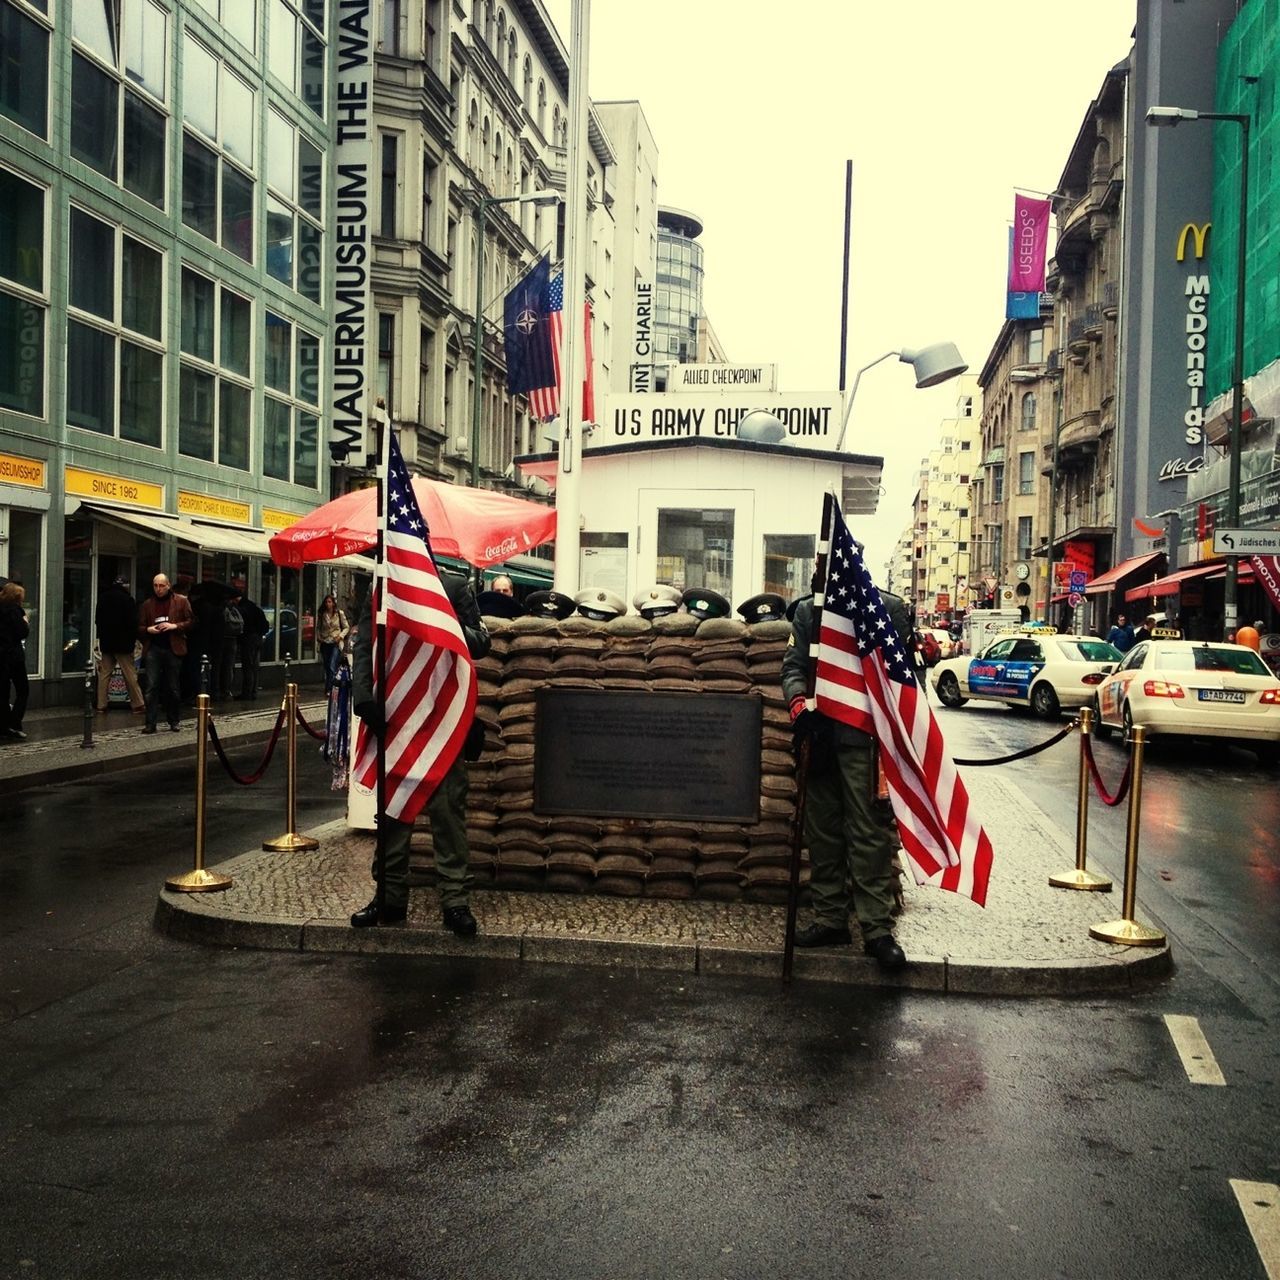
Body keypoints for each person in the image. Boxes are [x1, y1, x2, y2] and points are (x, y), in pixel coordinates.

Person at [780, 568, 912, 970]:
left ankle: (876, 929)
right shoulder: (808, 612)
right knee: (822, 833)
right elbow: (793, 668)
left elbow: (901, 679)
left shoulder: (886, 611)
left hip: (864, 741)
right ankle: (830, 918)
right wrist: (800, 708)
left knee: (868, 832)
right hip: (820, 740)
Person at [350, 574, 491, 935]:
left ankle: (455, 902)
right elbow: (365, 643)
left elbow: (480, 642)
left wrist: (443, 617)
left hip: (443, 720)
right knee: (393, 813)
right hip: (395, 714)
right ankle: (389, 898)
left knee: (447, 814)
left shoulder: (455, 587)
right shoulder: (381, 587)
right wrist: (364, 697)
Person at [138, 574, 194, 733]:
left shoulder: (181, 601)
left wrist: (174, 626)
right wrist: (148, 630)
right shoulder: (148, 604)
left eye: (161, 585)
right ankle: (150, 723)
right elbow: (140, 627)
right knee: (151, 687)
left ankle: (174, 720)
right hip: (154, 648)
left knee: (173, 687)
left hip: (173, 647)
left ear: (168, 585)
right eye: (155, 585)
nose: (158, 589)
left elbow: (191, 622)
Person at [94, 577, 145, 715]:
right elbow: (132, 622)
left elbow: (97, 620)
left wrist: (102, 636)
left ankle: (101, 705)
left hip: (107, 642)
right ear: (125, 586)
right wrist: (133, 639)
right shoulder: (127, 600)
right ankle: (138, 704)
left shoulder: (103, 598)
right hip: (123, 643)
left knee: (104, 674)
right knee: (129, 674)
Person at [0, 582, 30, 740]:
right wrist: (25, 621)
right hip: (14, 657)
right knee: (23, 690)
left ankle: (3, 725)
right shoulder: (16, 611)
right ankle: (14, 723)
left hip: (1, 656)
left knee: (3, 692)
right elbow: (22, 632)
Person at [234, 592, 270, 700]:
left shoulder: (243, 609)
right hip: (257, 638)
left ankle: (247, 692)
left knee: (248, 666)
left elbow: (242, 626)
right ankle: (253, 691)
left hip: (249, 639)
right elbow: (265, 625)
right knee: (254, 666)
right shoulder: (255, 608)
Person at [315, 594, 350, 688]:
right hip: (325, 642)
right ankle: (330, 685)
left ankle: (330, 688)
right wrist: (319, 637)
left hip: (336, 642)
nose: (328, 604)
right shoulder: (322, 614)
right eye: (326, 602)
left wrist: (340, 636)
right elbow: (318, 627)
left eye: (330, 602)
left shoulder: (339, 613)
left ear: (333, 603)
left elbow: (346, 627)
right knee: (327, 666)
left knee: (332, 665)